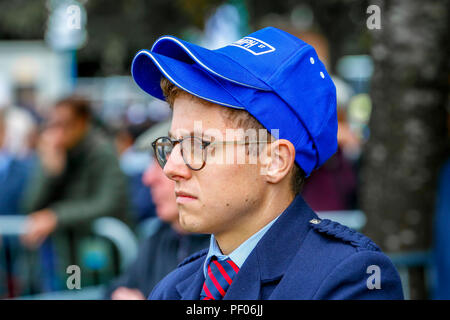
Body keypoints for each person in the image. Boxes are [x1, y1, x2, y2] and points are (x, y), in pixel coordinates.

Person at [131, 26, 403, 299]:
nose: (171, 169)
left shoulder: (352, 279)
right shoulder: (174, 287)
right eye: (173, 145)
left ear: (274, 161)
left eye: (199, 145)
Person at [20, 96, 130, 290]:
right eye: (53, 123)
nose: (57, 131)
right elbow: (31, 206)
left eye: (64, 123)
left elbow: (109, 202)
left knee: (90, 291)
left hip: (94, 251)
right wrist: (50, 172)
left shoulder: (101, 151)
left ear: (82, 121)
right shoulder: (55, 152)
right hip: (62, 252)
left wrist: (56, 216)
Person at [105, 121, 210, 300]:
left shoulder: (221, 252)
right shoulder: (159, 237)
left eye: (161, 161)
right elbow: (118, 287)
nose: (148, 178)